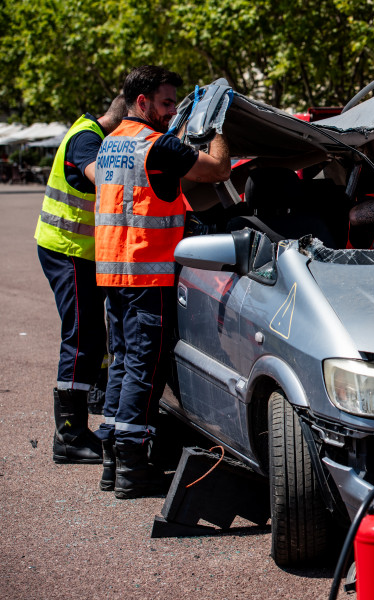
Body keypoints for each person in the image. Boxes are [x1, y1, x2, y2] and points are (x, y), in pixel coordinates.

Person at [94, 66, 231, 498]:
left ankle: (114, 460)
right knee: (145, 370)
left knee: (122, 362)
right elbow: (220, 168)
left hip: (114, 271)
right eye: (167, 103)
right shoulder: (157, 145)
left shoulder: (112, 144)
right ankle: (133, 466)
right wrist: (218, 123)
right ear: (142, 103)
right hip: (148, 273)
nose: (172, 112)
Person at [35, 95, 127, 465]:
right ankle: (69, 435)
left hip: (79, 249)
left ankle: (90, 399)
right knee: (82, 334)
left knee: (90, 333)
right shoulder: (87, 140)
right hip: (69, 248)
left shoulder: (89, 131)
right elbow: (102, 178)